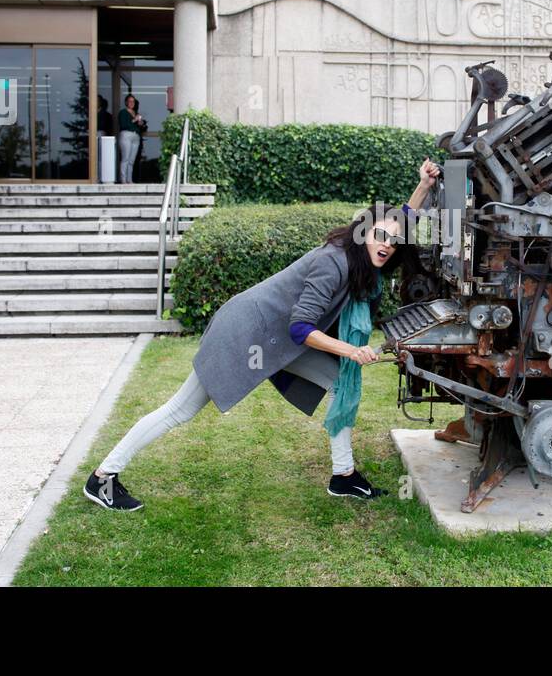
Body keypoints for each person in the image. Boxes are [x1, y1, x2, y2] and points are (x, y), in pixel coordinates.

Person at [84, 158, 442, 511]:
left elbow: (399, 223)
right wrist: (350, 350)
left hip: (275, 339)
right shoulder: (333, 262)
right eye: (379, 235)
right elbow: (301, 328)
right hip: (245, 332)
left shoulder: (362, 257)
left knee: (339, 385)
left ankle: (343, 475)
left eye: (394, 241)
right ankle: (102, 478)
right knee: (181, 409)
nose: (387, 244)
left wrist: (423, 187)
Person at [116, 94, 143, 184]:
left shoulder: (136, 113)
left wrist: (140, 123)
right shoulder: (123, 112)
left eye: (133, 101)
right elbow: (123, 125)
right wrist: (134, 120)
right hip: (126, 135)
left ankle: (129, 180)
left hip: (136, 136)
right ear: (126, 102)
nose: (132, 103)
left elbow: (140, 126)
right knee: (125, 158)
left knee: (131, 160)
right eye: (130, 101)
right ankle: (123, 179)